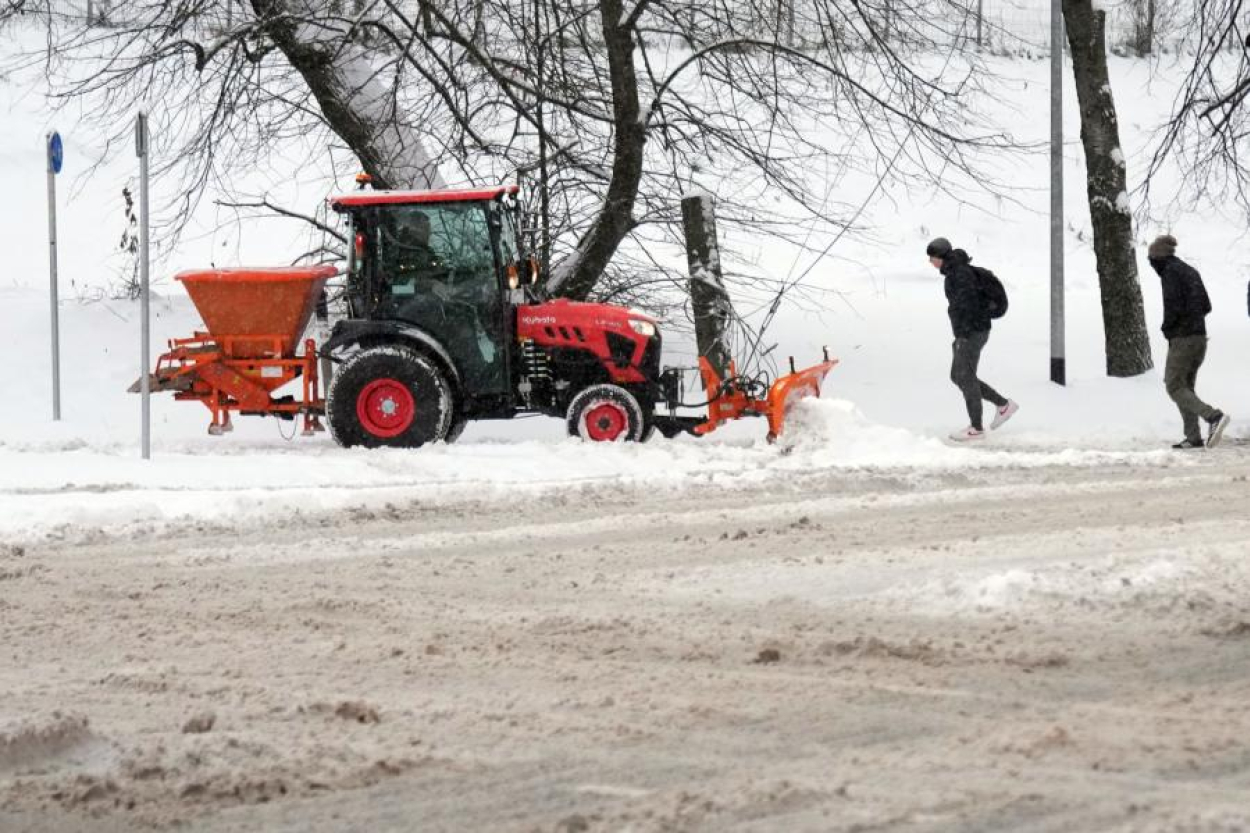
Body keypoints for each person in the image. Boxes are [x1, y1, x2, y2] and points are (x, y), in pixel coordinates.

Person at [926, 237, 1018, 441]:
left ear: (940, 256)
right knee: (958, 376)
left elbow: (968, 305)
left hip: (971, 332)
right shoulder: (955, 272)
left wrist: (964, 334)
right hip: (969, 332)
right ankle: (1003, 405)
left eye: (932, 258)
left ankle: (976, 428)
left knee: (965, 377)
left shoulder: (959, 274)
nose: (930, 262)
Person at [1147, 235, 1231, 449]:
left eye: (1151, 260)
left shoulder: (1169, 273)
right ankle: (1193, 437)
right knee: (1186, 388)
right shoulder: (1189, 271)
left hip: (1183, 339)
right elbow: (1206, 305)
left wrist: (1168, 328)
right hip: (1199, 338)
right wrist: (1192, 320)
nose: (1152, 265)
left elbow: (1173, 306)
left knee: (1174, 386)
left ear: (1158, 258)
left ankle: (1213, 417)